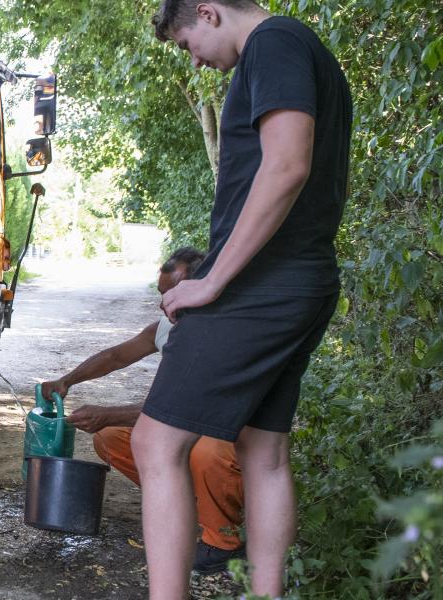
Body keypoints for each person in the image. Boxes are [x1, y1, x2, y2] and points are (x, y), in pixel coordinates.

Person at [139, 1, 352, 597]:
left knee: (155, 442)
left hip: (262, 283)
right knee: (263, 449)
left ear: (207, 13)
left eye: (186, 45)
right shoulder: (302, 48)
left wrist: (211, 280)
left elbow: (286, 166)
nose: (196, 62)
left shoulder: (273, 43)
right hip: (303, 277)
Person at [39, 248, 245, 574]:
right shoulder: (167, 325)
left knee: (207, 452)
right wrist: (67, 380)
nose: (165, 305)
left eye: (172, 294)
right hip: (190, 427)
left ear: (202, 287)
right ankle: (191, 508)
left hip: (231, 440)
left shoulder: (224, 333)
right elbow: (116, 357)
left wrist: (110, 413)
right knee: (110, 439)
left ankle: (223, 543)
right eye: (162, 295)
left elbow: (185, 409)